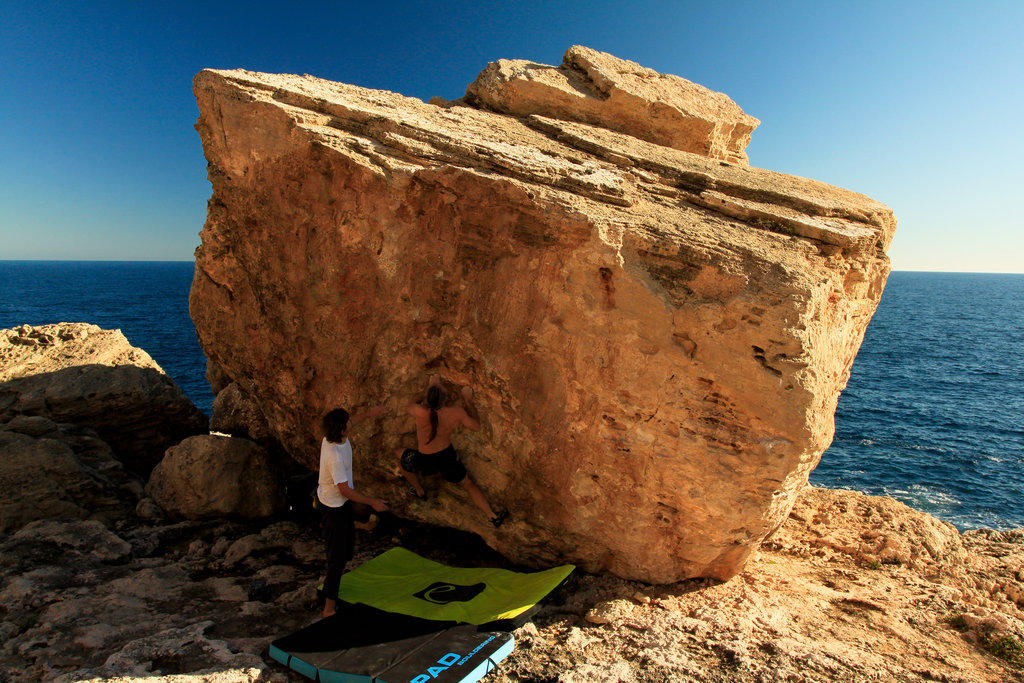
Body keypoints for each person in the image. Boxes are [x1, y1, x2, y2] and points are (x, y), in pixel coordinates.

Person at [397, 374, 507, 527]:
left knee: (400, 454)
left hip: (425, 460)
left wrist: (426, 391)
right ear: (445, 400)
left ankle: (419, 490)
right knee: (468, 483)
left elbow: (409, 404)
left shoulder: (419, 412)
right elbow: (476, 426)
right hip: (446, 457)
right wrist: (468, 402)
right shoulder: (456, 412)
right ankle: (492, 515)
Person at [317, 405, 388, 618]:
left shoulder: (334, 437)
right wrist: (372, 502)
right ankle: (329, 609)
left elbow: (353, 420)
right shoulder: (335, 455)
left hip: (339, 504)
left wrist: (369, 413)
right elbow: (345, 490)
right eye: (347, 421)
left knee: (346, 548)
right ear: (341, 429)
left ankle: (354, 529)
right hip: (332, 507)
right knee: (336, 559)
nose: (351, 422)